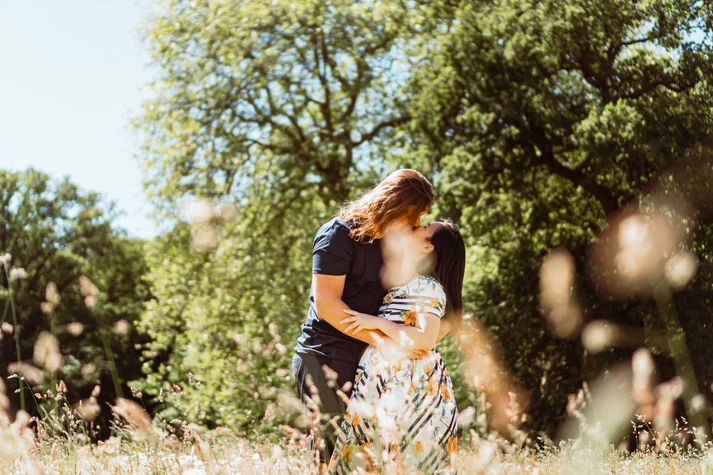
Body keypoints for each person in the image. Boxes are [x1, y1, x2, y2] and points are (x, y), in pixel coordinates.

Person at [292, 169, 444, 462]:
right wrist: (383, 343)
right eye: (413, 216)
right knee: (328, 456)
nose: (415, 225)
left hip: (369, 366)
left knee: (366, 459)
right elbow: (327, 305)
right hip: (325, 356)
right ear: (393, 205)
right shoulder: (337, 235)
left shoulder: (392, 245)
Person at [328, 220, 465, 474]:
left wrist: (375, 322)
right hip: (386, 380)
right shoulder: (404, 282)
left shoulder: (427, 286)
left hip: (408, 385)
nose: (415, 226)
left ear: (426, 246)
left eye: (422, 227)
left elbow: (425, 338)